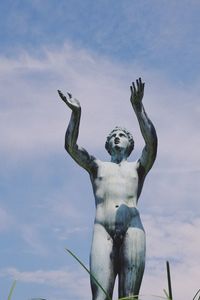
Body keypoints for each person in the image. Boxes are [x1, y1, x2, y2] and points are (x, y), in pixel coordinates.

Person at [58, 78, 157, 300]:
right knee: (100, 296)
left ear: (130, 143)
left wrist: (138, 107)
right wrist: (76, 113)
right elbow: (71, 147)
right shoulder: (97, 166)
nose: (116, 137)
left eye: (121, 135)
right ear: (107, 144)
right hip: (102, 229)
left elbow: (152, 144)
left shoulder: (138, 168)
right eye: (113, 136)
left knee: (129, 297)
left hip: (133, 228)